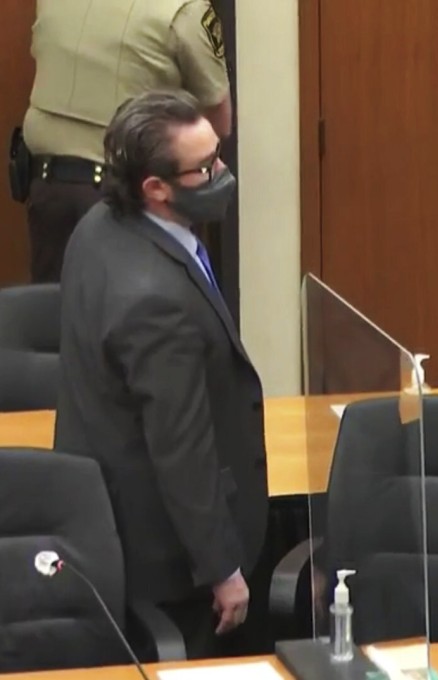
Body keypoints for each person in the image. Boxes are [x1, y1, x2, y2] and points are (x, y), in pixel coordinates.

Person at [54, 90, 264, 659]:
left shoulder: (101, 226)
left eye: (218, 154)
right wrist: (222, 569)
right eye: (206, 167)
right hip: (171, 564)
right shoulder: (154, 299)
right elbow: (181, 448)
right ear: (155, 187)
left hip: (107, 519)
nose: (222, 173)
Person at [18, 0, 232, 283]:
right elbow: (218, 121)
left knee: (58, 305)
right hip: (130, 200)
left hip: (50, 190)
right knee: (148, 304)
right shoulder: (182, 11)